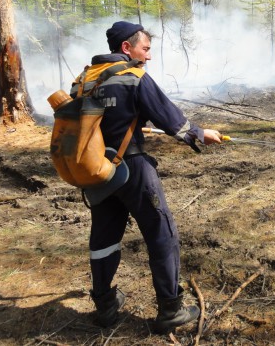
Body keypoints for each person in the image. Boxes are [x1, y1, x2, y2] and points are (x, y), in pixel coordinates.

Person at [73, 21, 222, 333]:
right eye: (146, 48)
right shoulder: (133, 77)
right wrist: (199, 133)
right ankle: (170, 310)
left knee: (103, 238)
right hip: (132, 170)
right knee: (161, 233)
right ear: (127, 48)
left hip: (96, 171)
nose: (149, 56)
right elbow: (171, 119)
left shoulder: (84, 80)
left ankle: (105, 305)